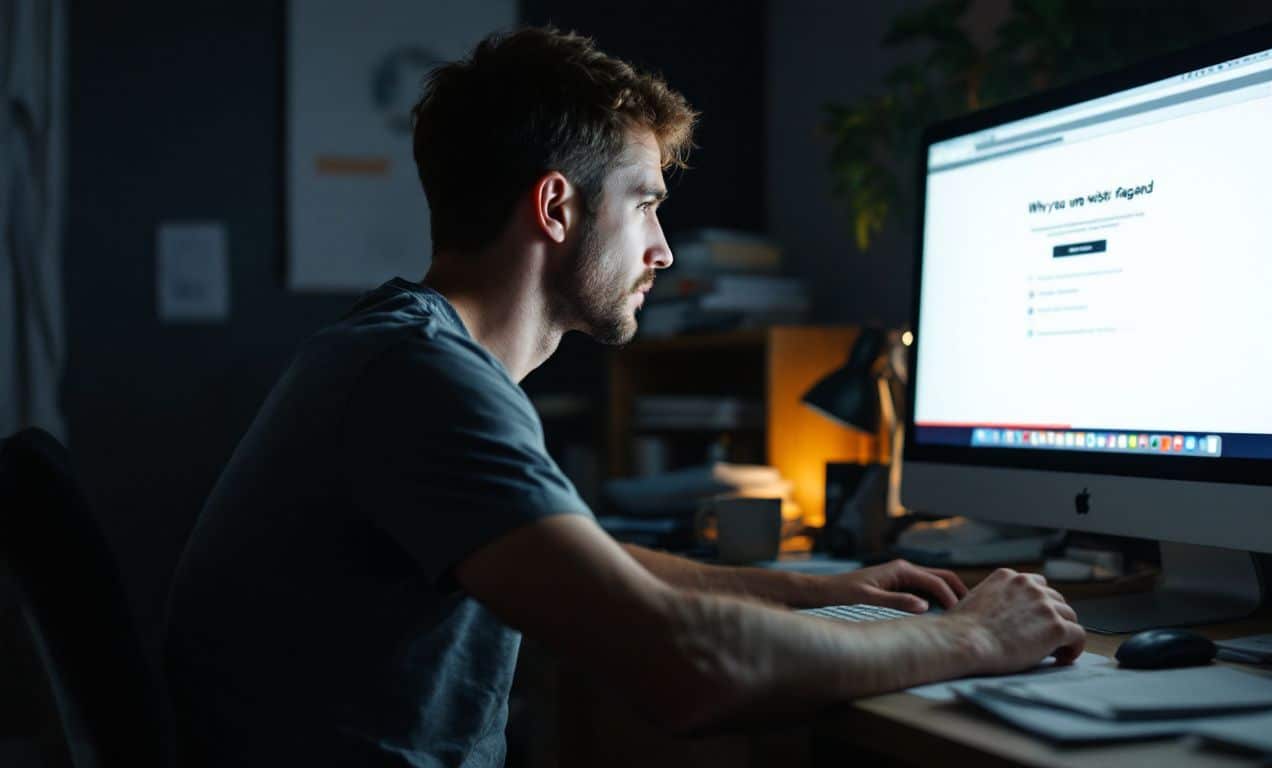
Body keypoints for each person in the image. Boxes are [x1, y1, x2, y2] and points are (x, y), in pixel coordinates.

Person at [164, 26, 1085, 768]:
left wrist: (810, 592)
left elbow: (594, 565)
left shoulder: (404, 353)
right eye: (645, 203)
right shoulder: (422, 381)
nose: (664, 250)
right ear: (557, 208)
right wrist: (975, 638)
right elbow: (692, 670)